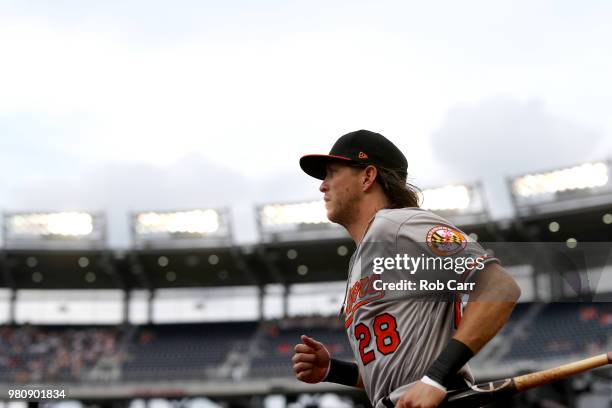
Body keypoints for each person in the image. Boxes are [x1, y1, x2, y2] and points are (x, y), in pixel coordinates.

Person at [292, 130, 521, 408]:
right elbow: (399, 374)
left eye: (331, 172)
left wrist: (435, 379)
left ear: (367, 177)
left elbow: (500, 287)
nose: (322, 186)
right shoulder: (362, 259)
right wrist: (334, 370)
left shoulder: (399, 226)